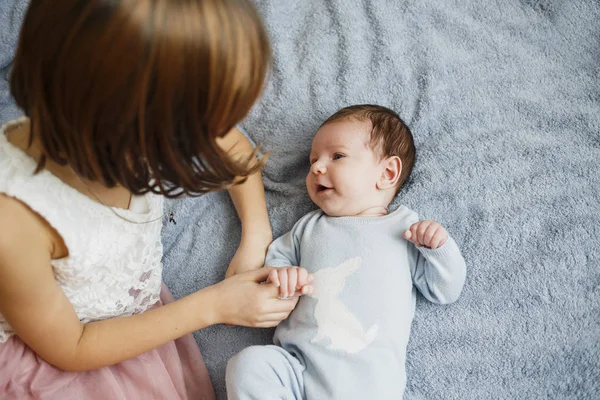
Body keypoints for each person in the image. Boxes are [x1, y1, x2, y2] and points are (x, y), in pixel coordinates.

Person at [0, 1, 296, 399]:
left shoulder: (144, 110)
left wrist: (256, 233)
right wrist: (216, 306)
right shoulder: (14, 222)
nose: (211, 139)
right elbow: (71, 347)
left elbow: (233, 147)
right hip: (59, 349)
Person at [226, 104, 467, 399]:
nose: (316, 167)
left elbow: (445, 290)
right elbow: (272, 270)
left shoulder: (406, 229)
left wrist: (439, 248)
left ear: (387, 173)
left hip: (367, 381)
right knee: (248, 365)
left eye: (336, 156)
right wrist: (282, 278)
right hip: (298, 368)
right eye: (313, 160)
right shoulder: (307, 228)